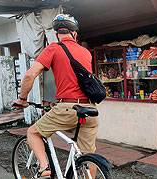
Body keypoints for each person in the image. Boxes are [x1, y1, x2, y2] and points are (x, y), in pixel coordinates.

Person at [11, 14, 98, 178]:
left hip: (67, 108)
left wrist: (22, 99)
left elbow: (30, 75)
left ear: (57, 34)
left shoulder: (54, 48)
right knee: (88, 157)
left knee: (33, 133)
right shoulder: (86, 52)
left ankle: (44, 168)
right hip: (89, 109)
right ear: (74, 34)